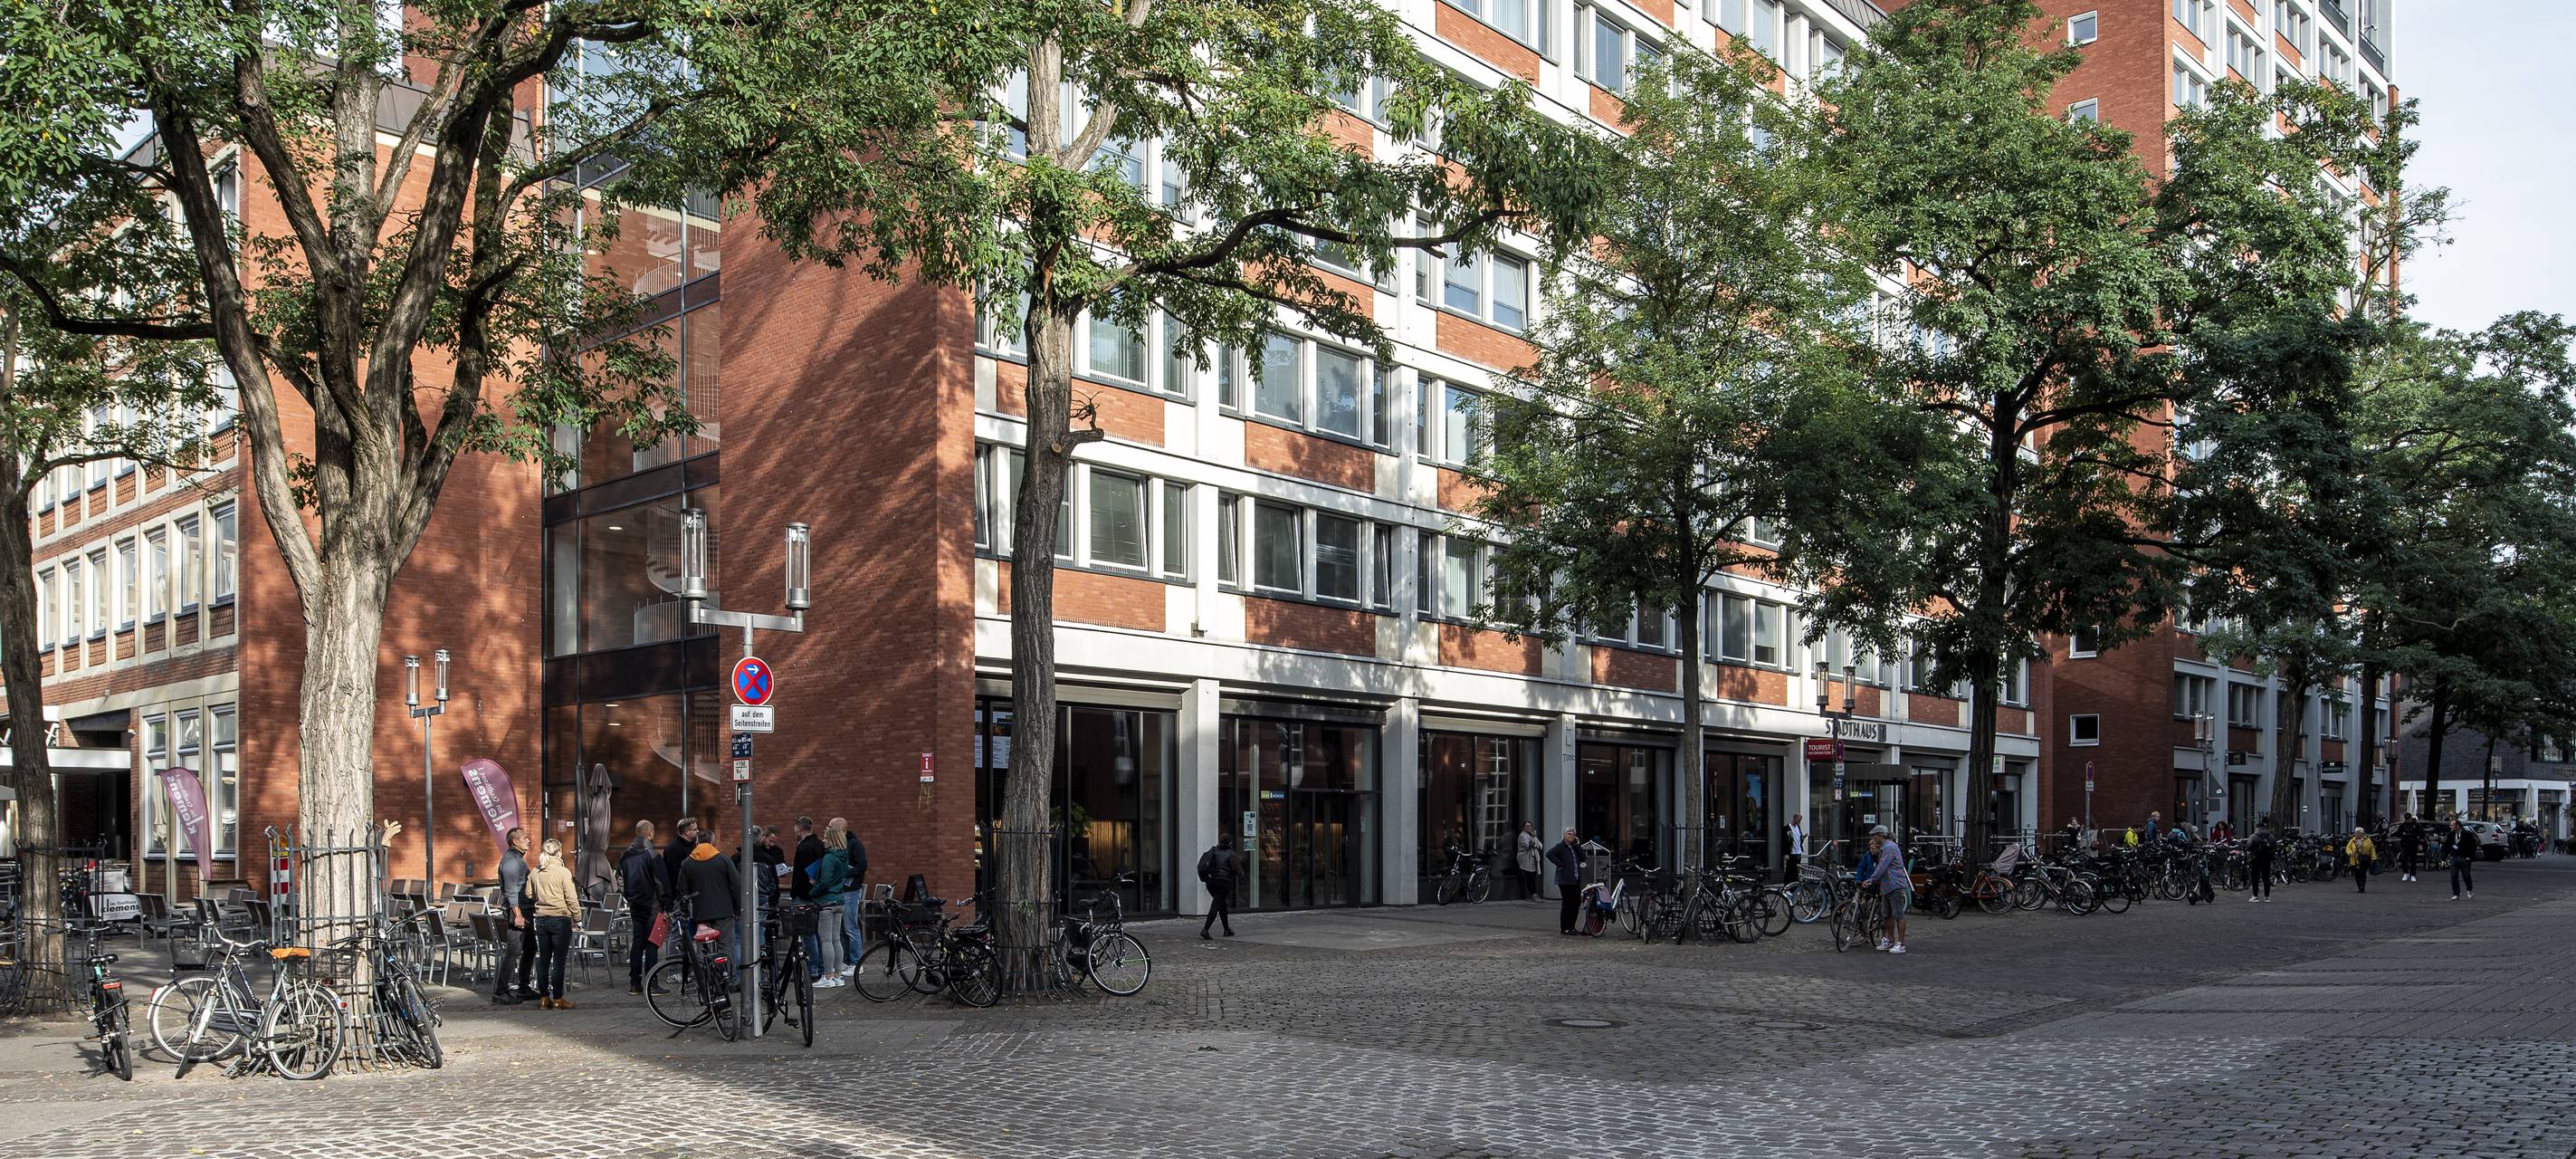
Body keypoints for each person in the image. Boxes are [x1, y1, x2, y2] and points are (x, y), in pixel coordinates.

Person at [679, 833, 745, 978]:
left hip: (701, 913)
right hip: (724, 912)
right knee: (726, 947)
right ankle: (728, 978)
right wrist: (737, 909)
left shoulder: (687, 863)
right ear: (712, 841)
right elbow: (736, 885)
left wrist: (685, 911)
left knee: (703, 948)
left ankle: (704, 981)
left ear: (697, 842)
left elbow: (682, 891)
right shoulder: (723, 860)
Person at [530, 838, 580, 1009]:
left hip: (541, 919)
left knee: (544, 959)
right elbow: (571, 898)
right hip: (560, 918)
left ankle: (544, 997)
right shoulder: (563, 872)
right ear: (558, 852)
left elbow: (528, 893)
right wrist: (578, 917)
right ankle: (558, 998)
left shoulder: (535, 872)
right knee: (559, 961)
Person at [617, 819, 663, 995]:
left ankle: (634, 982)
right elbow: (660, 882)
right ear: (650, 833)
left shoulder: (625, 855)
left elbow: (619, 879)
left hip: (635, 905)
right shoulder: (653, 855)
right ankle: (652, 983)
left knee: (637, 943)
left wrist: (628, 896)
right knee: (652, 944)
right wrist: (665, 902)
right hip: (653, 906)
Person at [492, 827, 536, 1006]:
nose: (528, 840)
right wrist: (517, 914)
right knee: (513, 952)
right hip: (517, 912)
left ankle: (523, 987)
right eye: (525, 838)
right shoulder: (511, 862)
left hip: (526, 910)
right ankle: (500, 991)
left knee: (531, 948)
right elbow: (511, 891)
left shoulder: (518, 859)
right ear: (515, 842)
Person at [805, 825, 850, 988]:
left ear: (831, 839)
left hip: (827, 902)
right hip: (839, 900)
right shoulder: (844, 856)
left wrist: (813, 891)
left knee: (825, 940)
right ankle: (838, 975)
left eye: (825, 838)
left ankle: (828, 976)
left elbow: (825, 881)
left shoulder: (829, 857)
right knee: (836, 939)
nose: (823, 840)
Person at [1861, 827, 1910, 954]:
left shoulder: (1889, 848)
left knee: (1898, 914)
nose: (1873, 839)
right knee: (1886, 914)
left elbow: (1882, 866)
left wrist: (1871, 880)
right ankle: (1891, 940)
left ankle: (1901, 943)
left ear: (1881, 836)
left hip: (1895, 884)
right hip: (1887, 886)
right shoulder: (1885, 848)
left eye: (1875, 836)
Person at [835, 817, 868, 976]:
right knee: (842, 927)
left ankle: (856, 962)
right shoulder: (842, 845)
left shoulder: (854, 845)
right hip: (843, 889)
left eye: (831, 828)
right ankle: (847, 960)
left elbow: (862, 866)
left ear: (841, 830)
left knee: (850, 926)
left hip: (851, 889)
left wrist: (845, 872)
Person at [1196, 837, 1238, 939]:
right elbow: (1238, 870)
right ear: (1230, 842)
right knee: (1216, 905)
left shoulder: (1213, 851)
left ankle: (1226, 929)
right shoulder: (1231, 854)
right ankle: (1205, 930)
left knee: (1221, 905)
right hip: (1223, 882)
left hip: (1211, 882)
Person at [1546, 828, 1584, 935]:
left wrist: (1577, 845)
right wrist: (1560, 864)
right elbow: (1549, 854)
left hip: (1575, 879)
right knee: (1567, 903)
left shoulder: (1574, 847)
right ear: (1564, 835)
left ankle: (1572, 926)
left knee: (1576, 902)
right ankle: (1565, 928)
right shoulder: (1560, 847)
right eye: (1569, 834)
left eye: (1573, 834)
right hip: (1565, 880)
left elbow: (1583, 858)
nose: (1571, 836)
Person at [663, 817, 701, 898]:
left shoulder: (694, 846)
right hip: (680, 897)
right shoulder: (673, 849)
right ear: (687, 832)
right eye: (695, 829)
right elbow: (674, 877)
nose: (698, 831)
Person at [790, 816, 825, 900]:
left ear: (799, 828)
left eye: (795, 829)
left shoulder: (803, 847)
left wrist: (794, 892)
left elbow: (800, 872)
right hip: (818, 890)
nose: (794, 831)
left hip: (803, 893)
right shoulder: (821, 844)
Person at [2247, 820, 2276, 902]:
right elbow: (2274, 846)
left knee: (2255, 878)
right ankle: (2267, 896)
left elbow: (2248, 846)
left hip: (2255, 859)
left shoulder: (2254, 836)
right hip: (2267, 859)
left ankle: (2255, 896)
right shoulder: (2270, 836)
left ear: (2257, 827)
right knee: (2266, 878)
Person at [2447, 818, 2476, 900]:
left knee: (2466, 875)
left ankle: (2469, 889)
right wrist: (2443, 858)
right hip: (2454, 858)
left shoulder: (2467, 834)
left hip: (2465, 858)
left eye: (2452, 825)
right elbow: (2447, 846)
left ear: (2457, 826)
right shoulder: (2451, 835)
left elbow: (2473, 846)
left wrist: (2470, 857)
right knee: (2454, 875)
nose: (2450, 827)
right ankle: (2456, 894)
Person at [1513, 822, 1543, 902]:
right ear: (1523, 827)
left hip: (1532, 859)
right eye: (1527, 826)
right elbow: (1528, 846)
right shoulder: (1523, 836)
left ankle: (1535, 894)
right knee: (1530, 877)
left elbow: (1540, 845)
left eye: (1530, 826)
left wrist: (1535, 843)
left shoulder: (1531, 835)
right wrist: (1533, 839)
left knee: (1532, 877)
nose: (1528, 827)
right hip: (1525, 859)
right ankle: (1533, 894)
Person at [2346, 827, 2377, 893]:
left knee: (2362, 873)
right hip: (2355, 859)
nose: (2357, 834)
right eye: (2356, 833)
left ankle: (2362, 887)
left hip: (2365, 859)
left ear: (2362, 833)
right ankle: (2359, 886)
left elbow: (2372, 850)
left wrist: (2373, 858)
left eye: (2359, 833)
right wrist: (2350, 853)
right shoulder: (2353, 840)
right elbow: (2348, 848)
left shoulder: (2368, 840)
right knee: (2357, 874)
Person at [1781, 814, 1808, 886]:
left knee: (1796, 870)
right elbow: (1784, 842)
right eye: (1798, 820)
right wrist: (1785, 853)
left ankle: (1794, 885)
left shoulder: (1798, 828)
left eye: (1800, 820)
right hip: (1791, 853)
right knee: (1789, 870)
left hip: (1798, 852)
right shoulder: (1786, 828)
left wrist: (1802, 838)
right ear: (1794, 818)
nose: (1799, 822)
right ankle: (1787, 885)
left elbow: (1798, 839)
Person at [2398, 814, 2425, 882]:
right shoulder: (2403, 825)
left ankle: (2413, 875)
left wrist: (2420, 844)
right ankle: (2405, 873)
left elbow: (2421, 834)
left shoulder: (2417, 825)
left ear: (2411, 818)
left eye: (2408, 819)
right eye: (2406, 820)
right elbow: (2398, 833)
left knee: (2413, 860)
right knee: (2403, 859)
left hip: (2413, 844)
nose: (2408, 821)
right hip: (2404, 845)